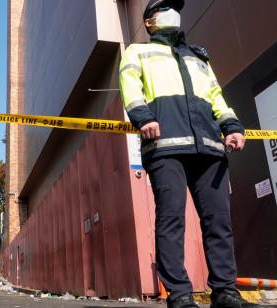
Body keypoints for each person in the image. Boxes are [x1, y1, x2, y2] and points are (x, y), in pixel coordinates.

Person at [118, 1, 254, 307]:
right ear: (149, 23)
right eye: (163, 8)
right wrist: (143, 117)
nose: (171, 12)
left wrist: (232, 125)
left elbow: (216, 95)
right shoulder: (137, 52)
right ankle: (179, 295)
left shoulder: (198, 56)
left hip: (210, 147)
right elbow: (130, 86)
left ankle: (225, 291)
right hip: (166, 148)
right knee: (171, 220)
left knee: (218, 221)